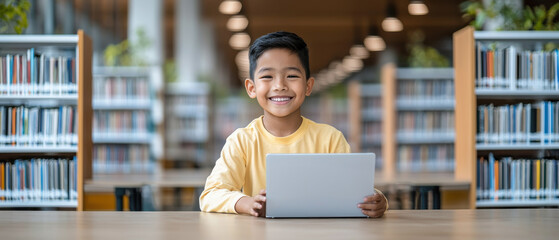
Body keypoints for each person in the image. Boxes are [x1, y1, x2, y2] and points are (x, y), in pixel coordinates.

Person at [199, 31, 387, 218]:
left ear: (308, 86)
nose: (280, 85)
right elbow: (210, 194)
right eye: (267, 77)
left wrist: (380, 201)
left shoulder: (330, 138)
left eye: (291, 76)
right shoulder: (242, 141)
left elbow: (353, 190)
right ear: (251, 88)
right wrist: (247, 203)